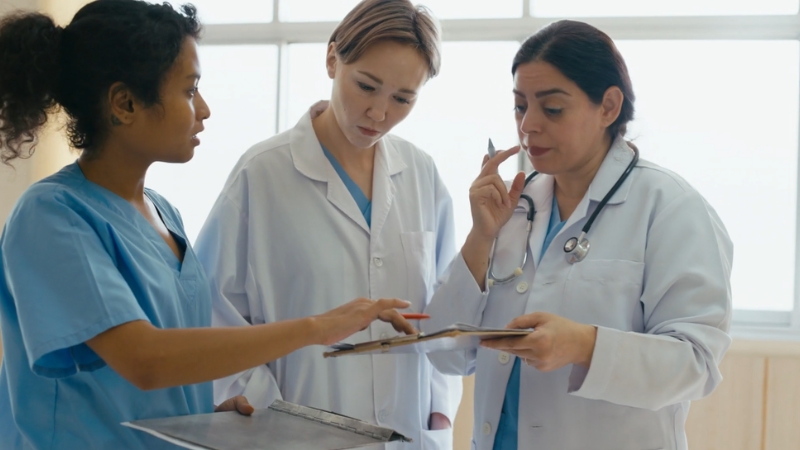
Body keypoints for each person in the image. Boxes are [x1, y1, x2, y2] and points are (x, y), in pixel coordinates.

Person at [0, 1, 414, 449]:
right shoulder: (53, 214)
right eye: (189, 90)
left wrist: (203, 418)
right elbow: (145, 360)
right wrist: (317, 327)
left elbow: (160, 377)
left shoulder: (164, 214)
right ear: (125, 103)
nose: (204, 109)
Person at [423, 20, 733, 450]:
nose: (528, 125)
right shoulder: (512, 207)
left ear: (608, 106)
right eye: (520, 106)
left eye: (552, 109)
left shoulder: (670, 208)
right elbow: (444, 352)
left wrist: (585, 346)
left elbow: (696, 365)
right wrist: (481, 236)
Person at [195, 0, 462, 448]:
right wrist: (265, 407)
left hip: (408, 435)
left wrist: (438, 410)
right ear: (333, 58)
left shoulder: (421, 174)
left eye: (402, 98)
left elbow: (442, 308)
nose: (379, 113)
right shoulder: (262, 174)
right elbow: (212, 313)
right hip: (294, 434)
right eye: (366, 86)